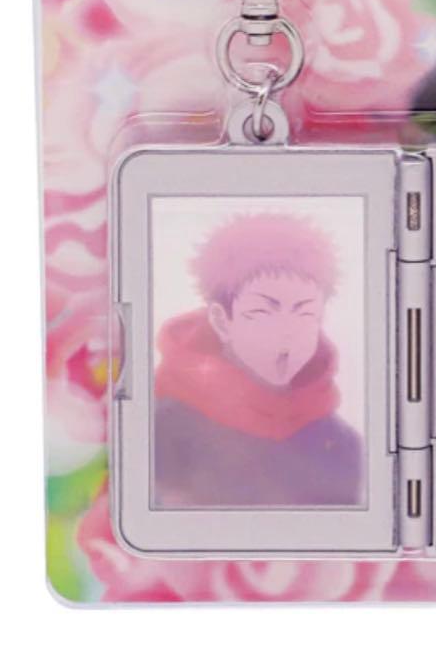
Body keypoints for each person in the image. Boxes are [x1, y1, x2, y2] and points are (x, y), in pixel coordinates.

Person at [153, 213, 362, 507]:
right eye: (263, 312)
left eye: (305, 313)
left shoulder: (340, 445)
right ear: (222, 321)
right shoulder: (159, 428)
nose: (287, 332)